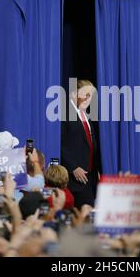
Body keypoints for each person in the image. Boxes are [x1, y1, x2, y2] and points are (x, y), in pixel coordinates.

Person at [61, 79, 101, 208]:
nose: (88, 99)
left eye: (91, 96)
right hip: (74, 178)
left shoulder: (86, 116)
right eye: (86, 94)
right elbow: (59, 143)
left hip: (90, 177)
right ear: (74, 93)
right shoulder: (64, 113)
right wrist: (73, 167)